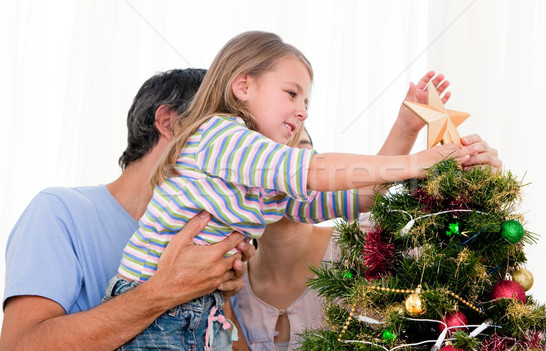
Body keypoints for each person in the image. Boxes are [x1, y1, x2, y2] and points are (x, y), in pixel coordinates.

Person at [107, 31, 470, 351]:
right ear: (243, 86)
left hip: (201, 313)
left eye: (306, 102)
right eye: (292, 94)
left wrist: (406, 128)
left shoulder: (263, 180)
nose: (303, 111)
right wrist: (419, 162)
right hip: (157, 313)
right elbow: (312, 170)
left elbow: (361, 194)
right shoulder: (219, 135)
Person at [228, 72, 502, 351]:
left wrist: (479, 184)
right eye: (276, 161)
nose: (290, 173)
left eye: (302, 159)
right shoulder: (226, 284)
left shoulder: (366, 244)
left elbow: (456, 253)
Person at [1, 68, 255, 350]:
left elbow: (229, 343)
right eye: (228, 134)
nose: (242, 153)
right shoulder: (60, 211)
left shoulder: (215, 232)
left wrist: (220, 300)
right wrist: (166, 289)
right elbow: (19, 345)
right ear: (169, 123)